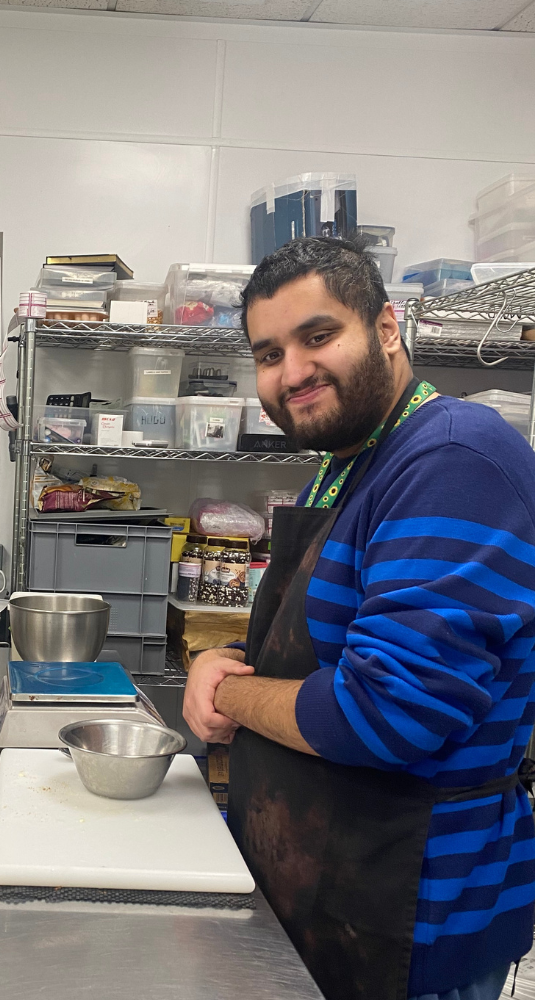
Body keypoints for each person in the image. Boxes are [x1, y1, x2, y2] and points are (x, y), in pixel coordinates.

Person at [183, 238, 535, 1000]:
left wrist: (230, 695)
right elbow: (325, 633)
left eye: (318, 336)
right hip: (324, 894)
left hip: (409, 918)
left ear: (385, 328)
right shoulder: (345, 463)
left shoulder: (455, 461)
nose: (293, 372)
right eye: (269, 353)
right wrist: (230, 655)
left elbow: (391, 713)